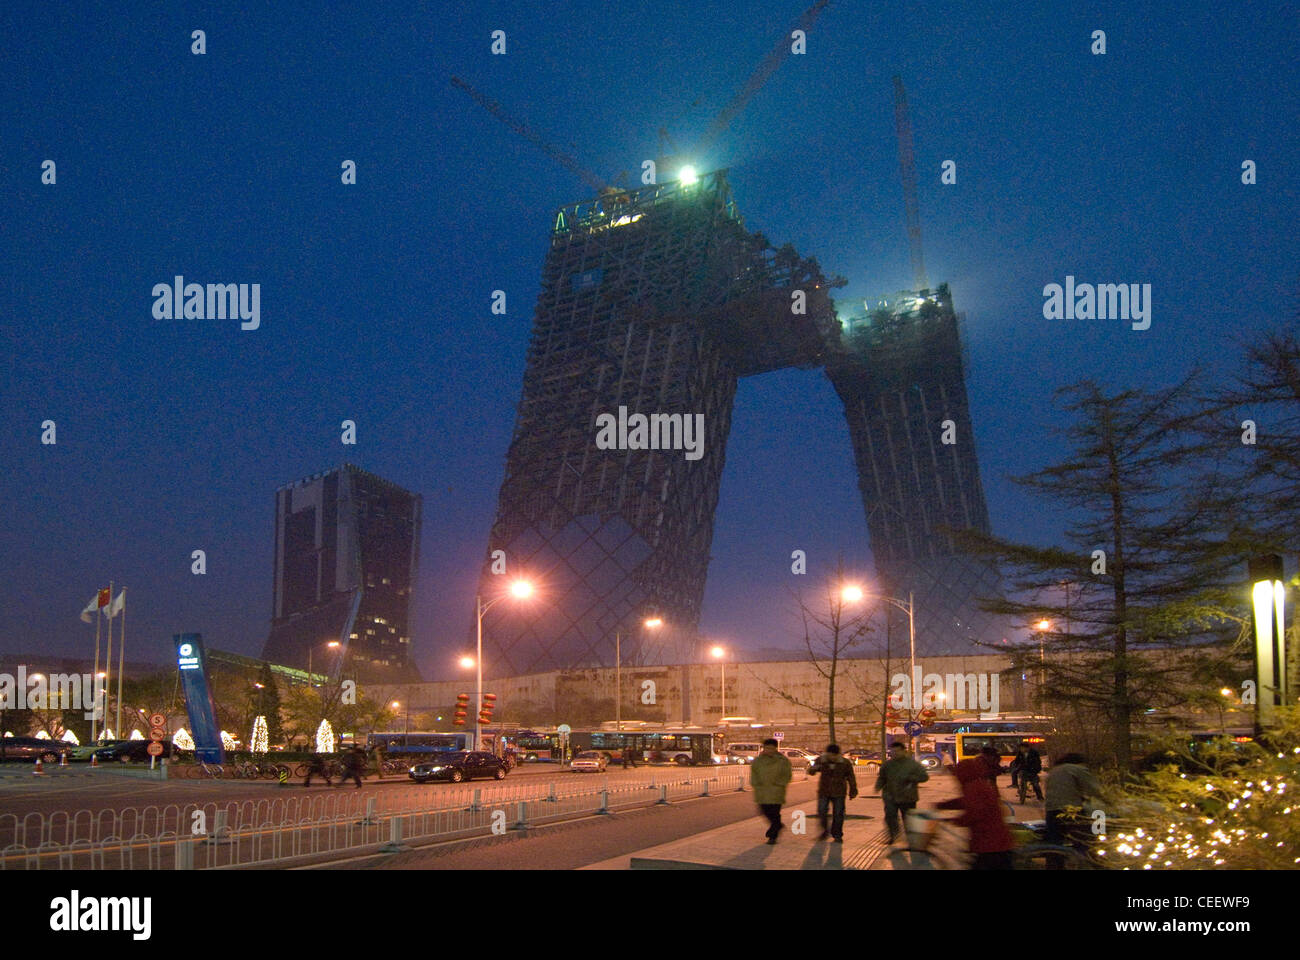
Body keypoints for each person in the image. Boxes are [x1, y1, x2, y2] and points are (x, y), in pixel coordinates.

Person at [935, 758, 1015, 869]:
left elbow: (976, 812)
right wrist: (944, 805)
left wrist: (957, 820)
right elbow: (966, 802)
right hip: (995, 842)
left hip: (990, 844)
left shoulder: (973, 787)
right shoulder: (978, 784)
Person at [1045, 752, 1101, 866]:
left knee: (1054, 843)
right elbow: (1095, 790)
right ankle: (1086, 864)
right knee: (1083, 840)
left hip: (1051, 811)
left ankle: (1054, 866)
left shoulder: (1054, 771)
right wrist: (1111, 801)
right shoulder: (1078, 769)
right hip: (1072, 811)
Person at [875, 741, 929, 845]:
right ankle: (893, 836)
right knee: (890, 817)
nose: (895, 753)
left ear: (904, 751)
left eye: (898, 751)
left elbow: (924, 777)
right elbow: (882, 777)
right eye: (893, 751)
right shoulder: (888, 765)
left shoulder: (913, 764)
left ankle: (911, 839)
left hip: (908, 796)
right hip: (890, 796)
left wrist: (911, 778)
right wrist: (878, 787)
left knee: (908, 819)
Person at [809, 744, 858, 842]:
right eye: (830, 755)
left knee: (838, 813)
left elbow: (851, 777)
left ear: (838, 755)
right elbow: (811, 772)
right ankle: (824, 831)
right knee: (822, 811)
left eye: (834, 756)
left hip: (839, 792)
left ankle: (837, 834)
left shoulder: (845, 763)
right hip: (824, 791)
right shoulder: (821, 760)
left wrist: (853, 790)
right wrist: (814, 769)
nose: (832, 757)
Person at [749, 738, 793, 844]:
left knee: (775, 813)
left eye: (771, 748)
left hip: (776, 791)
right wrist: (755, 783)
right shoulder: (758, 761)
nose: (769, 750)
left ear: (775, 748)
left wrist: (780, 783)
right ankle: (777, 825)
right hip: (762, 791)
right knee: (764, 811)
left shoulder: (782, 760)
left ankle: (773, 836)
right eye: (766, 748)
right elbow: (754, 773)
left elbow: (787, 775)